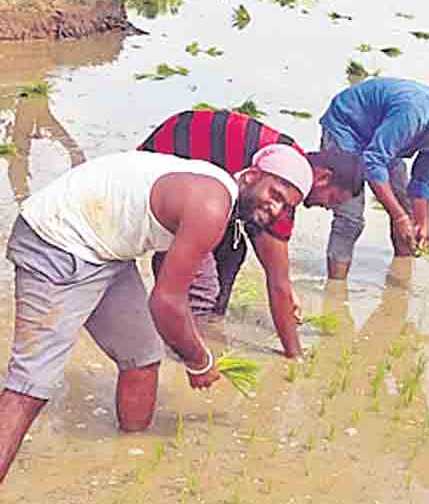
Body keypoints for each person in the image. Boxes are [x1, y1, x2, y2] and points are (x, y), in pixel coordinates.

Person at [0, 146, 311, 483]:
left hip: (106, 249)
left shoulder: (219, 194)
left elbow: (166, 268)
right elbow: (165, 302)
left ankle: (127, 469)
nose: (275, 208)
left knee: (142, 357)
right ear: (251, 176)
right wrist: (199, 360)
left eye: (286, 206)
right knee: (31, 385)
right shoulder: (212, 206)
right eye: (275, 193)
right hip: (57, 242)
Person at [140, 110, 364, 358]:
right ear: (324, 177)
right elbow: (276, 281)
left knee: (233, 251)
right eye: (332, 199)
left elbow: (275, 268)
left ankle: (204, 324)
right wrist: (295, 355)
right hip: (165, 163)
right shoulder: (284, 181)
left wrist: (287, 289)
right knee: (202, 286)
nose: (327, 206)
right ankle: (183, 349)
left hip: (192, 155)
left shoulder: (290, 167)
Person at [319, 77, 429, 280]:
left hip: (386, 139)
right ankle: (336, 288)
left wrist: (422, 223)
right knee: (351, 218)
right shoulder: (413, 112)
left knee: (408, 216)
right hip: (348, 127)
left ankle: (401, 282)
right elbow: (374, 161)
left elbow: (422, 179)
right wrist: (399, 216)